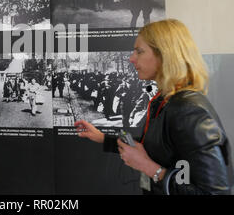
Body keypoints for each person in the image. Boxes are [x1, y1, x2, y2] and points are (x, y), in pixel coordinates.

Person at [75, 19, 233, 195]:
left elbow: (216, 192)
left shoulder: (188, 111)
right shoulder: (164, 101)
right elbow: (152, 146)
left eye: (139, 51)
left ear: (165, 55)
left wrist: (150, 168)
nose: (131, 58)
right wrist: (103, 138)